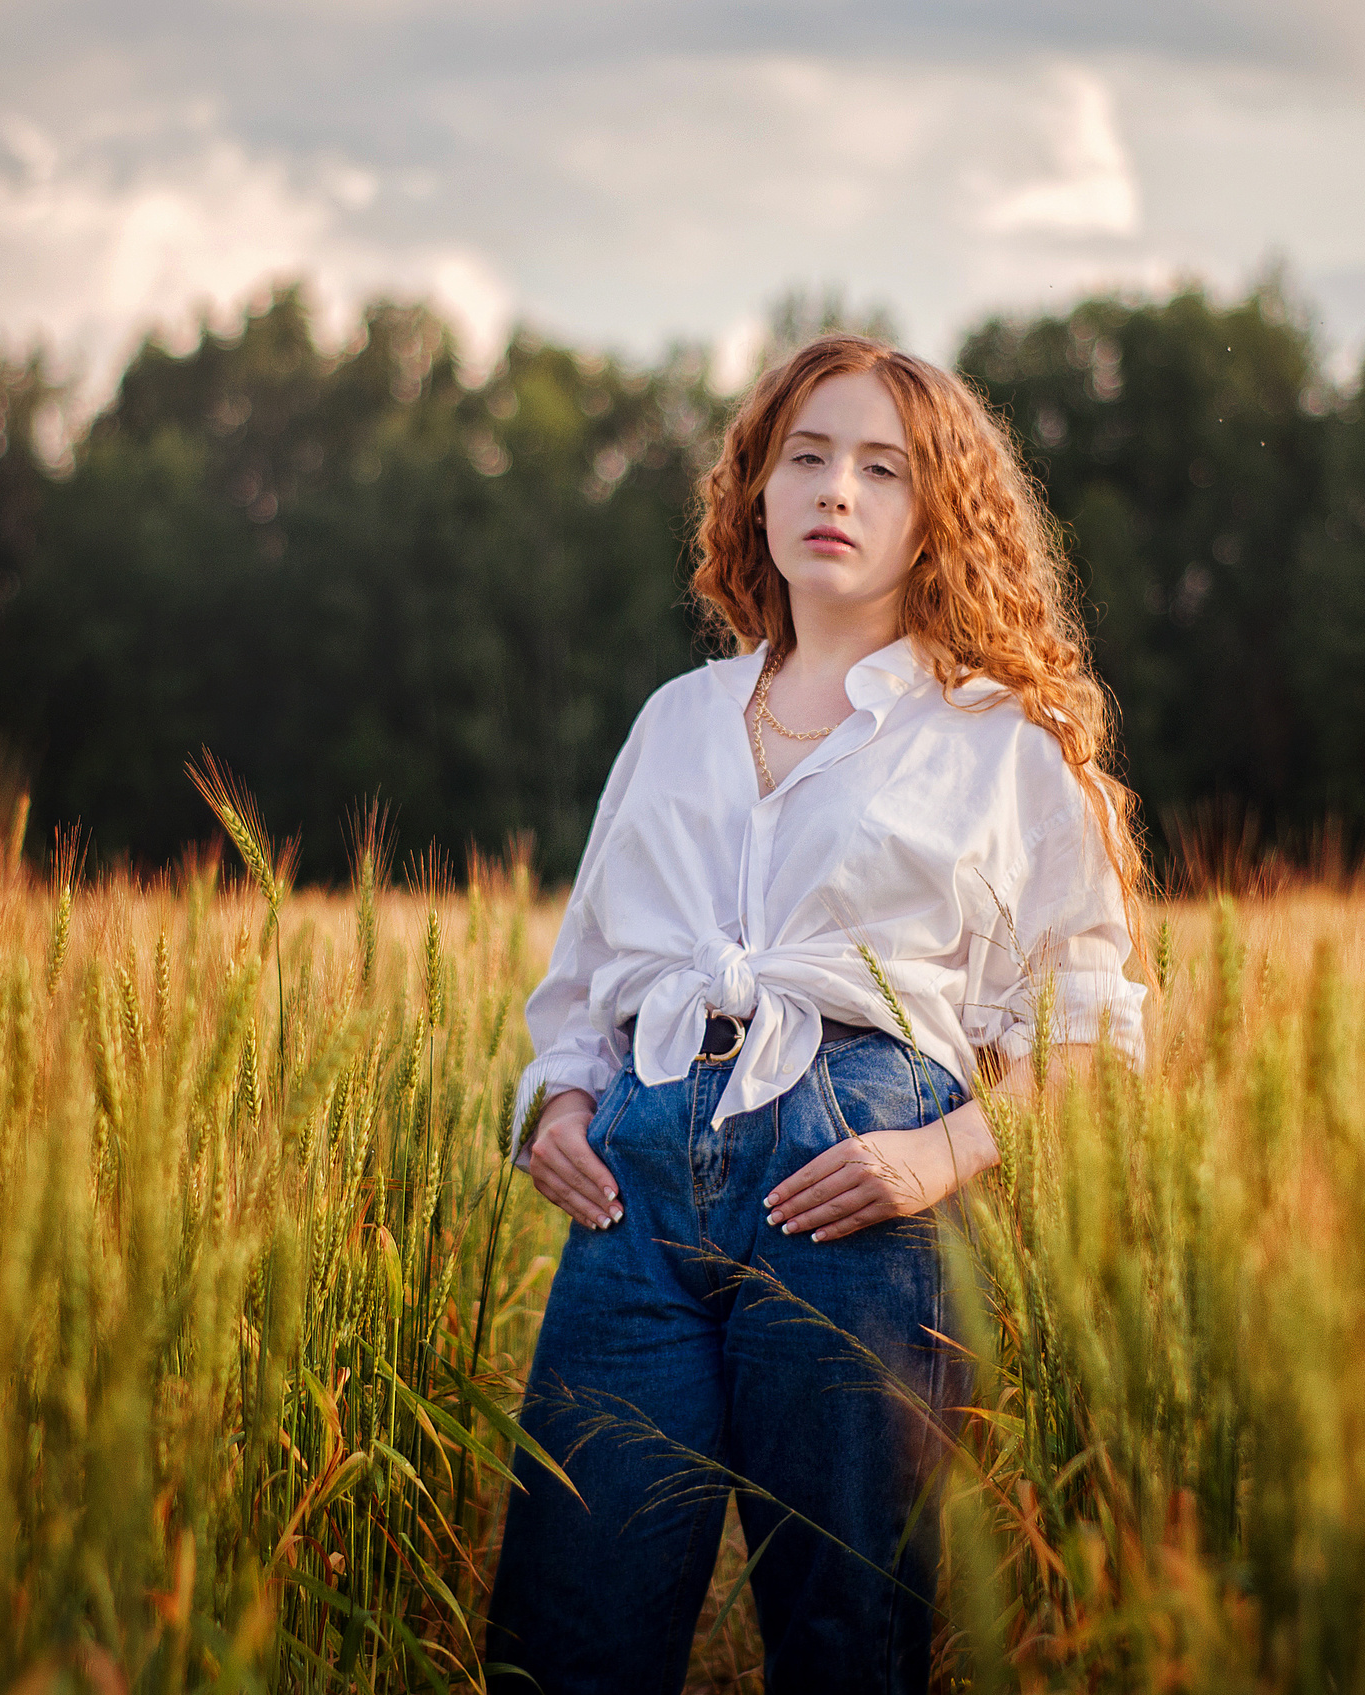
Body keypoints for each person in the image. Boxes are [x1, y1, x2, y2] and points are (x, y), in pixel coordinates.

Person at [483, 333, 1146, 1694]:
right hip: (636, 1205)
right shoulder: (677, 718)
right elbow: (586, 976)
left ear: (935, 517)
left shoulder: (999, 741)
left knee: (848, 1634)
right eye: (807, 455)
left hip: (857, 1194)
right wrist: (557, 1103)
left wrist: (938, 1154)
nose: (837, 487)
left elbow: (1087, 1032)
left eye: (883, 469)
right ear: (758, 493)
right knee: (569, 1632)